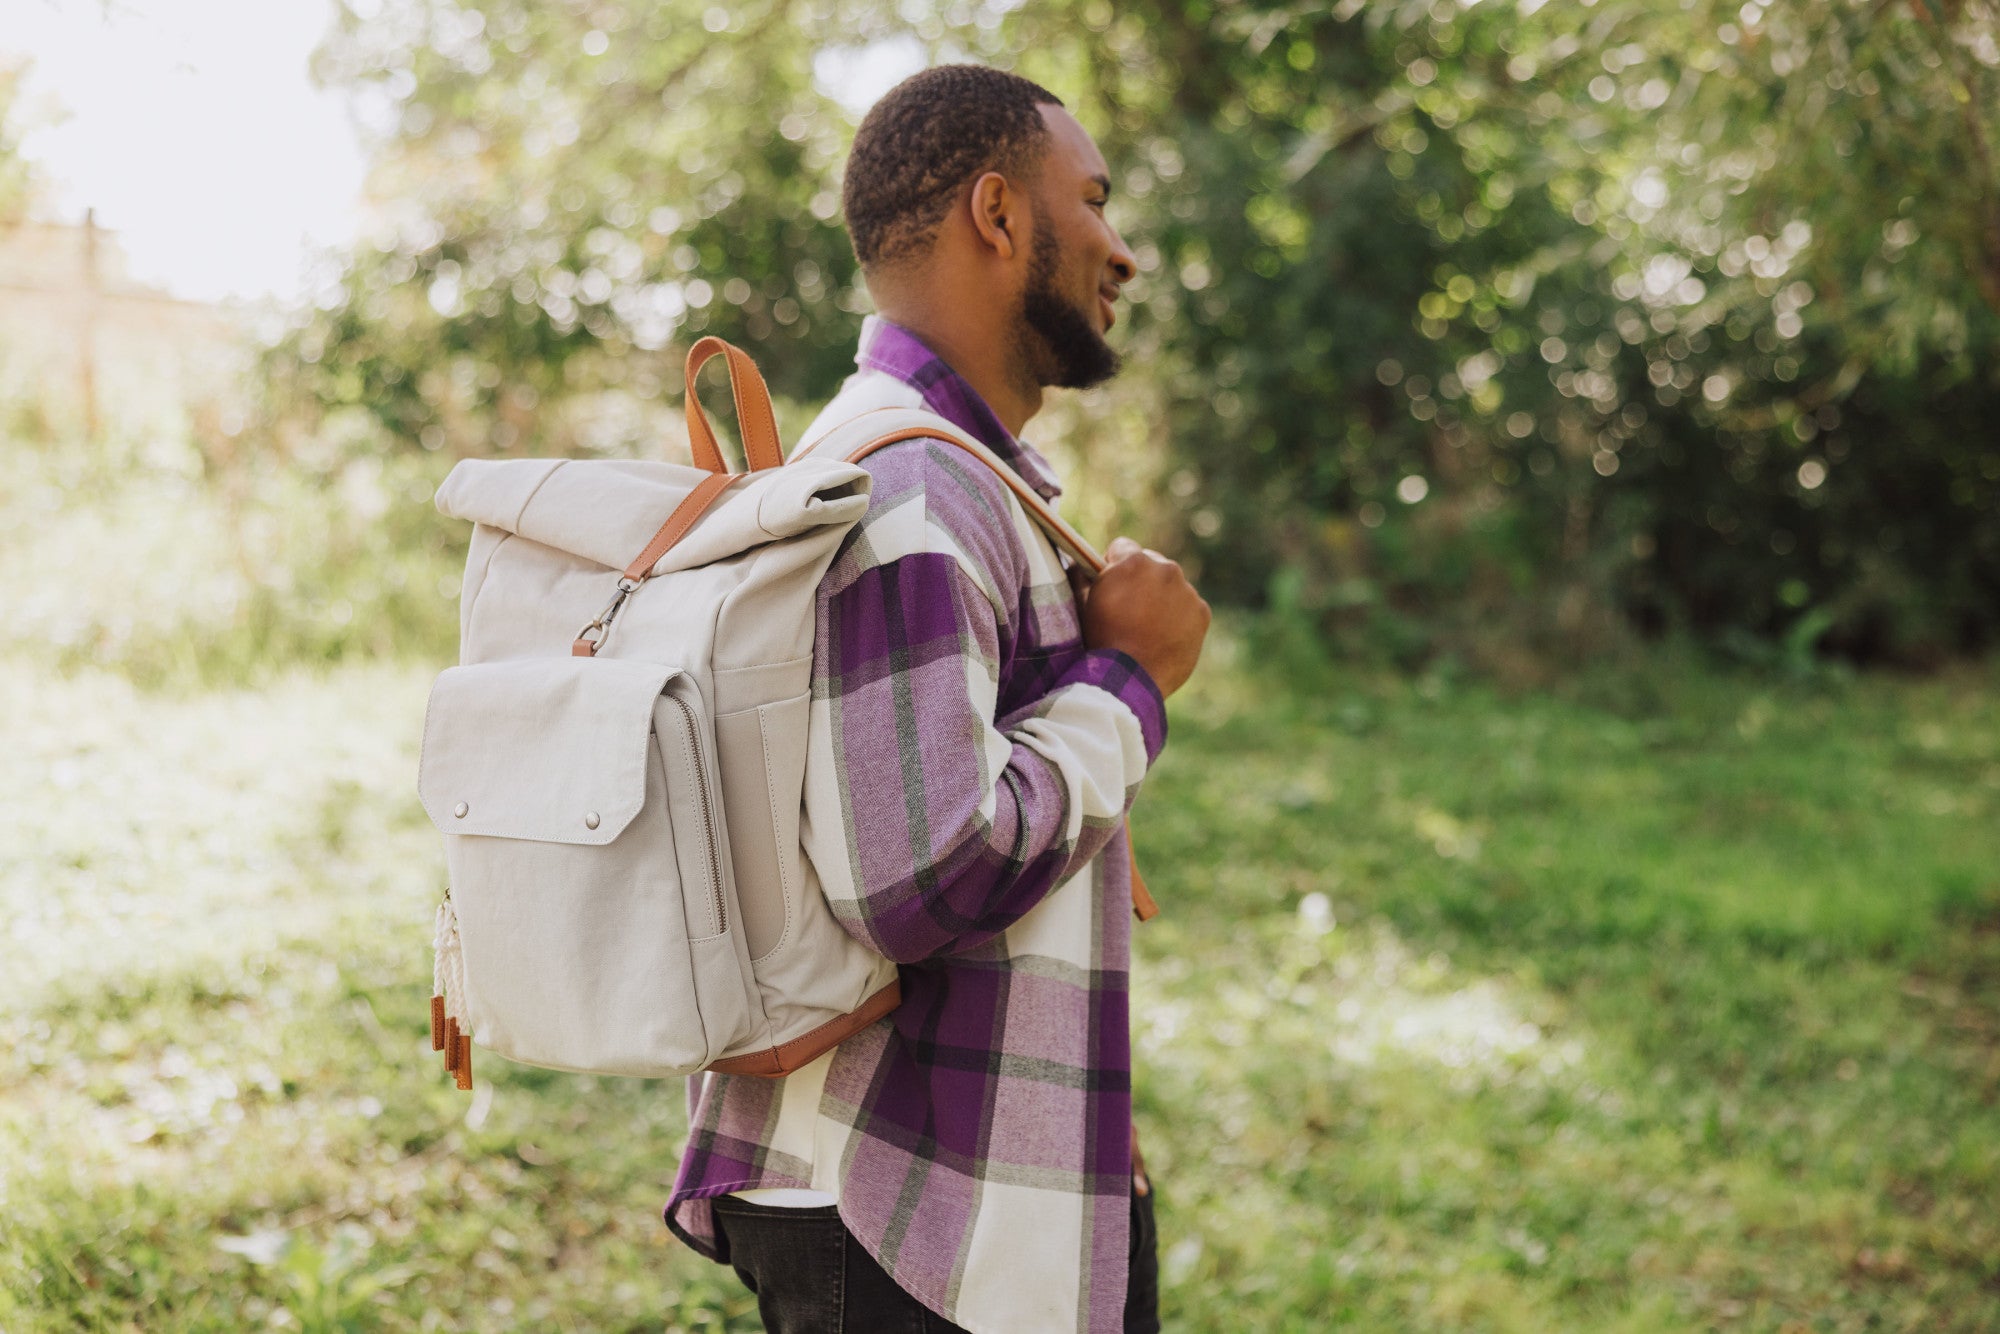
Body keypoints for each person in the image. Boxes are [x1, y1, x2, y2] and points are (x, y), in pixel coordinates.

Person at [664, 63, 1211, 1334]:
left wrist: (1079, 1130)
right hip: (906, 1210)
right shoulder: (914, 489)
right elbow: (921, 873)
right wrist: (1130, 680)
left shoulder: (922, 463)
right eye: (1093, 201)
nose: (1121, 250)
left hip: (942, 1176)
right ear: (998, 214)